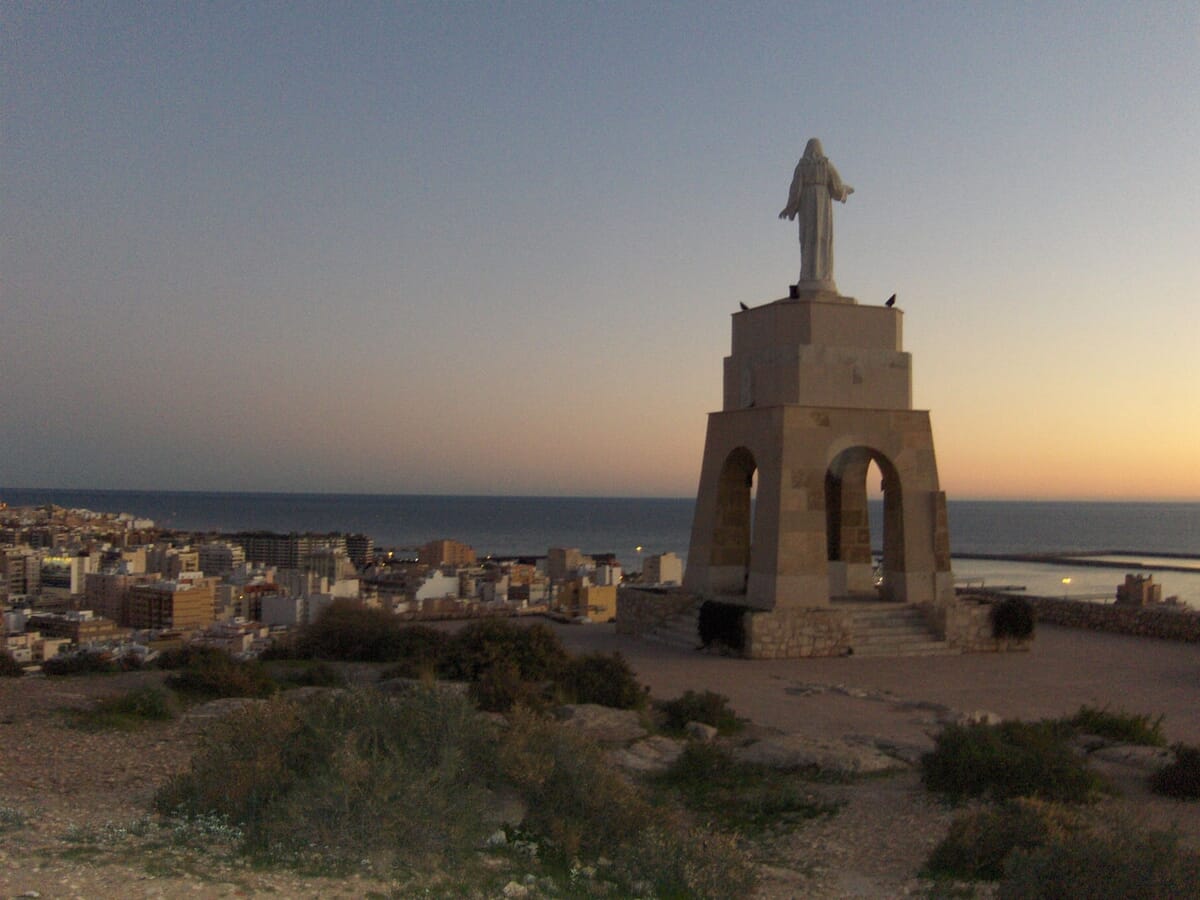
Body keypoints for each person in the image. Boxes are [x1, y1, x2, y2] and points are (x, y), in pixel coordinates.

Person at [779, 138, 853, 287]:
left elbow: (795, 190)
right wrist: (845, 190)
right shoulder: (826, 165)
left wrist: (790, 207)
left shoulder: (802, 167)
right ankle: (822, 275)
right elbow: (837, 188)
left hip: (806, 204)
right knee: (820, 238)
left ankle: (809, 275)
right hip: (822, 204)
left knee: (808, 239)